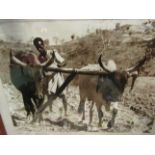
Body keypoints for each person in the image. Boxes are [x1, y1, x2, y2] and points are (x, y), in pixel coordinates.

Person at [33, 37, 67, 114]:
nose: (40, 48)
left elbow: (64, 62)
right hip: (47, 78)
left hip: (57, 76)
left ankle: (66, 112)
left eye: (41, 45)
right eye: (38, 47)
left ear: (44, 45)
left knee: (63, 95)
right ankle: (51, 111)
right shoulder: (38, 58)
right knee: (49, 95)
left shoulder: (52, 52)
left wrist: (58, 66)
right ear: (36, 48)